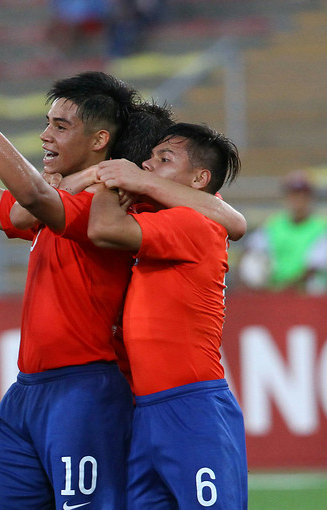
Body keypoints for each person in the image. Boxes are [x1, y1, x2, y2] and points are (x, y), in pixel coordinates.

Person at [0, 35, 245, 510]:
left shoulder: (101, 213)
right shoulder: (62, 209)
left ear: (101, 141)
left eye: (60, 126)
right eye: (47, 123)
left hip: (85, 393)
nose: (46, 135)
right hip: (27, 391)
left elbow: (34, 196)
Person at [87, 122, 248, 509]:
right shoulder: (174, 222)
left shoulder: (194, 223)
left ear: (199, 178)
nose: (147, 164)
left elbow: (103, 226)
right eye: (150, 157)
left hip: (192, 409)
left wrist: (114, 174)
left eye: (164, 158)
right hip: (149, 410)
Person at [239, 170, 327, 294]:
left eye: (302, 194)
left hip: (306, 293)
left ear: (310, 197)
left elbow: (314, 268)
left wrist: (285, 288)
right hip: (276, 290)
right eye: (294, 194)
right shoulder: (274, 225)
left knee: (313, 285)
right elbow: (249, 249)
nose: (298, 199)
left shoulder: (322, 228)